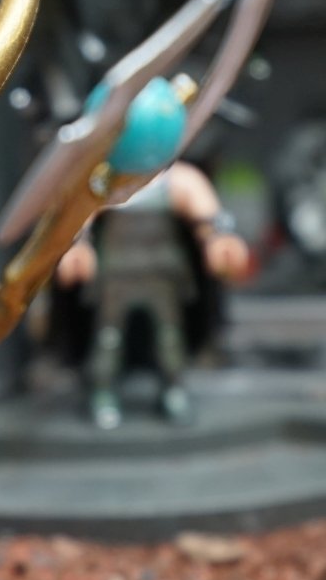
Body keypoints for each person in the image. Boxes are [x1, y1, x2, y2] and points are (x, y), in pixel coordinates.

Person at [54, 161, 249, 427]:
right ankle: (103, 391)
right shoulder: (102, 180)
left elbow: (207, 216)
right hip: (118, 274)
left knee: (169, 337)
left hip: (161, 274)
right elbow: (79, 217)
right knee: (108, 339)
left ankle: (173, 389)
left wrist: (218, 238)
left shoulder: (175, 180)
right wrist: (78, 245)